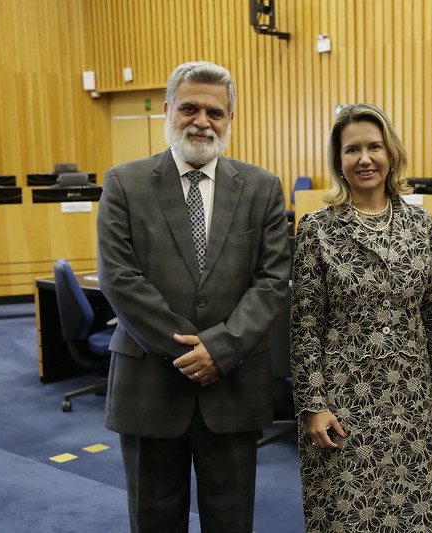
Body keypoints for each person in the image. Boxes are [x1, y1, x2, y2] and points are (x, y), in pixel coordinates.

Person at [96, 61, 291, 533]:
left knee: (231, 520)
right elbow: (120, 279)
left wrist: (219, 351)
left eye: (215, 112)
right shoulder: (124, 183)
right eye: (189, 108)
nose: (202, 121)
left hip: (233, 384)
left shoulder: (262, 187)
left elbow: (272, 280)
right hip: (150, 384)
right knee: (154, 519)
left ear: (229, 119)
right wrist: (190, 352)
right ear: (167, 110)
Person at [289, 103, 432, 532]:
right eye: (352, 150)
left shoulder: (420, 224)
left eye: (374, 147)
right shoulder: (316, 229)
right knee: (346, 514)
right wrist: (313, 405)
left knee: (408, 514)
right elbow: (305, 327)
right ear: (339, 161)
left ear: (391, 153)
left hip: (409, 396)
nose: (365, 158)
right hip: (343, 399)